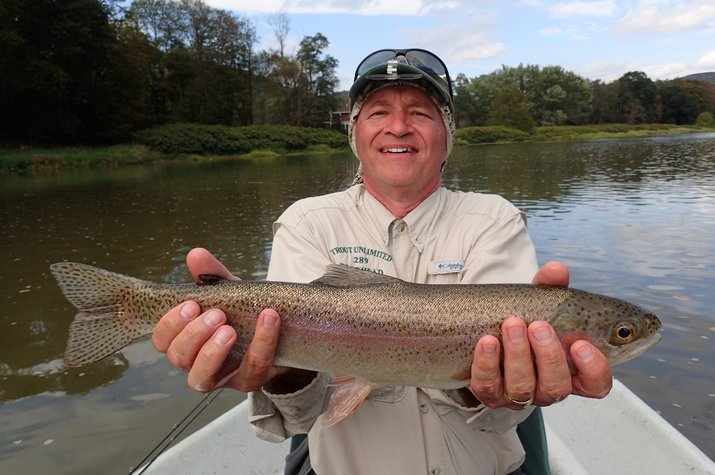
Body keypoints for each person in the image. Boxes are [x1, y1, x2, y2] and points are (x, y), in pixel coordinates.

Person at [152, 49, 613, 474]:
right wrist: (274, 368)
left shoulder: (494, 218)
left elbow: (497, 413)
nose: (398, 127)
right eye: (378, 113)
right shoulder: (307, 222)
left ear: (447, 134)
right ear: (356, 133)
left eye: (420, 113)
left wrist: (503, 385)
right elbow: (297, 418)